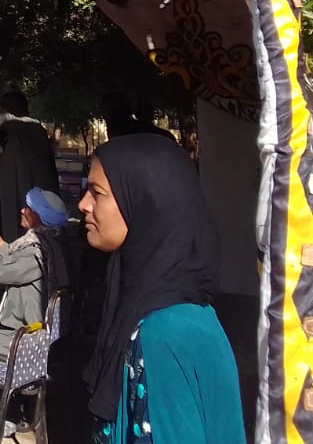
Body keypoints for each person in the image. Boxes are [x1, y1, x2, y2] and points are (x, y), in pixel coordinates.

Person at [79, 134, 245, 444]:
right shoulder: (183, 311)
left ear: (143, 201)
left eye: (97, 193)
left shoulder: (163, 334)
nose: (83, 204)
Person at [0, 187, 71, 366]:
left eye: (28, 208)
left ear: (38, 216)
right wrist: (1, 245)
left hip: (30, 339)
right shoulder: (52, 244)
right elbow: (17, 267)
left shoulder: (36, 253)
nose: (22, 210)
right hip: (31, 332)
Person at [0, 91, 60, 243]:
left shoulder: (32, 128)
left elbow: (3, 120)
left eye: (4, 107)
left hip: (32, 203)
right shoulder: (15, 137)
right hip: (16, 201)